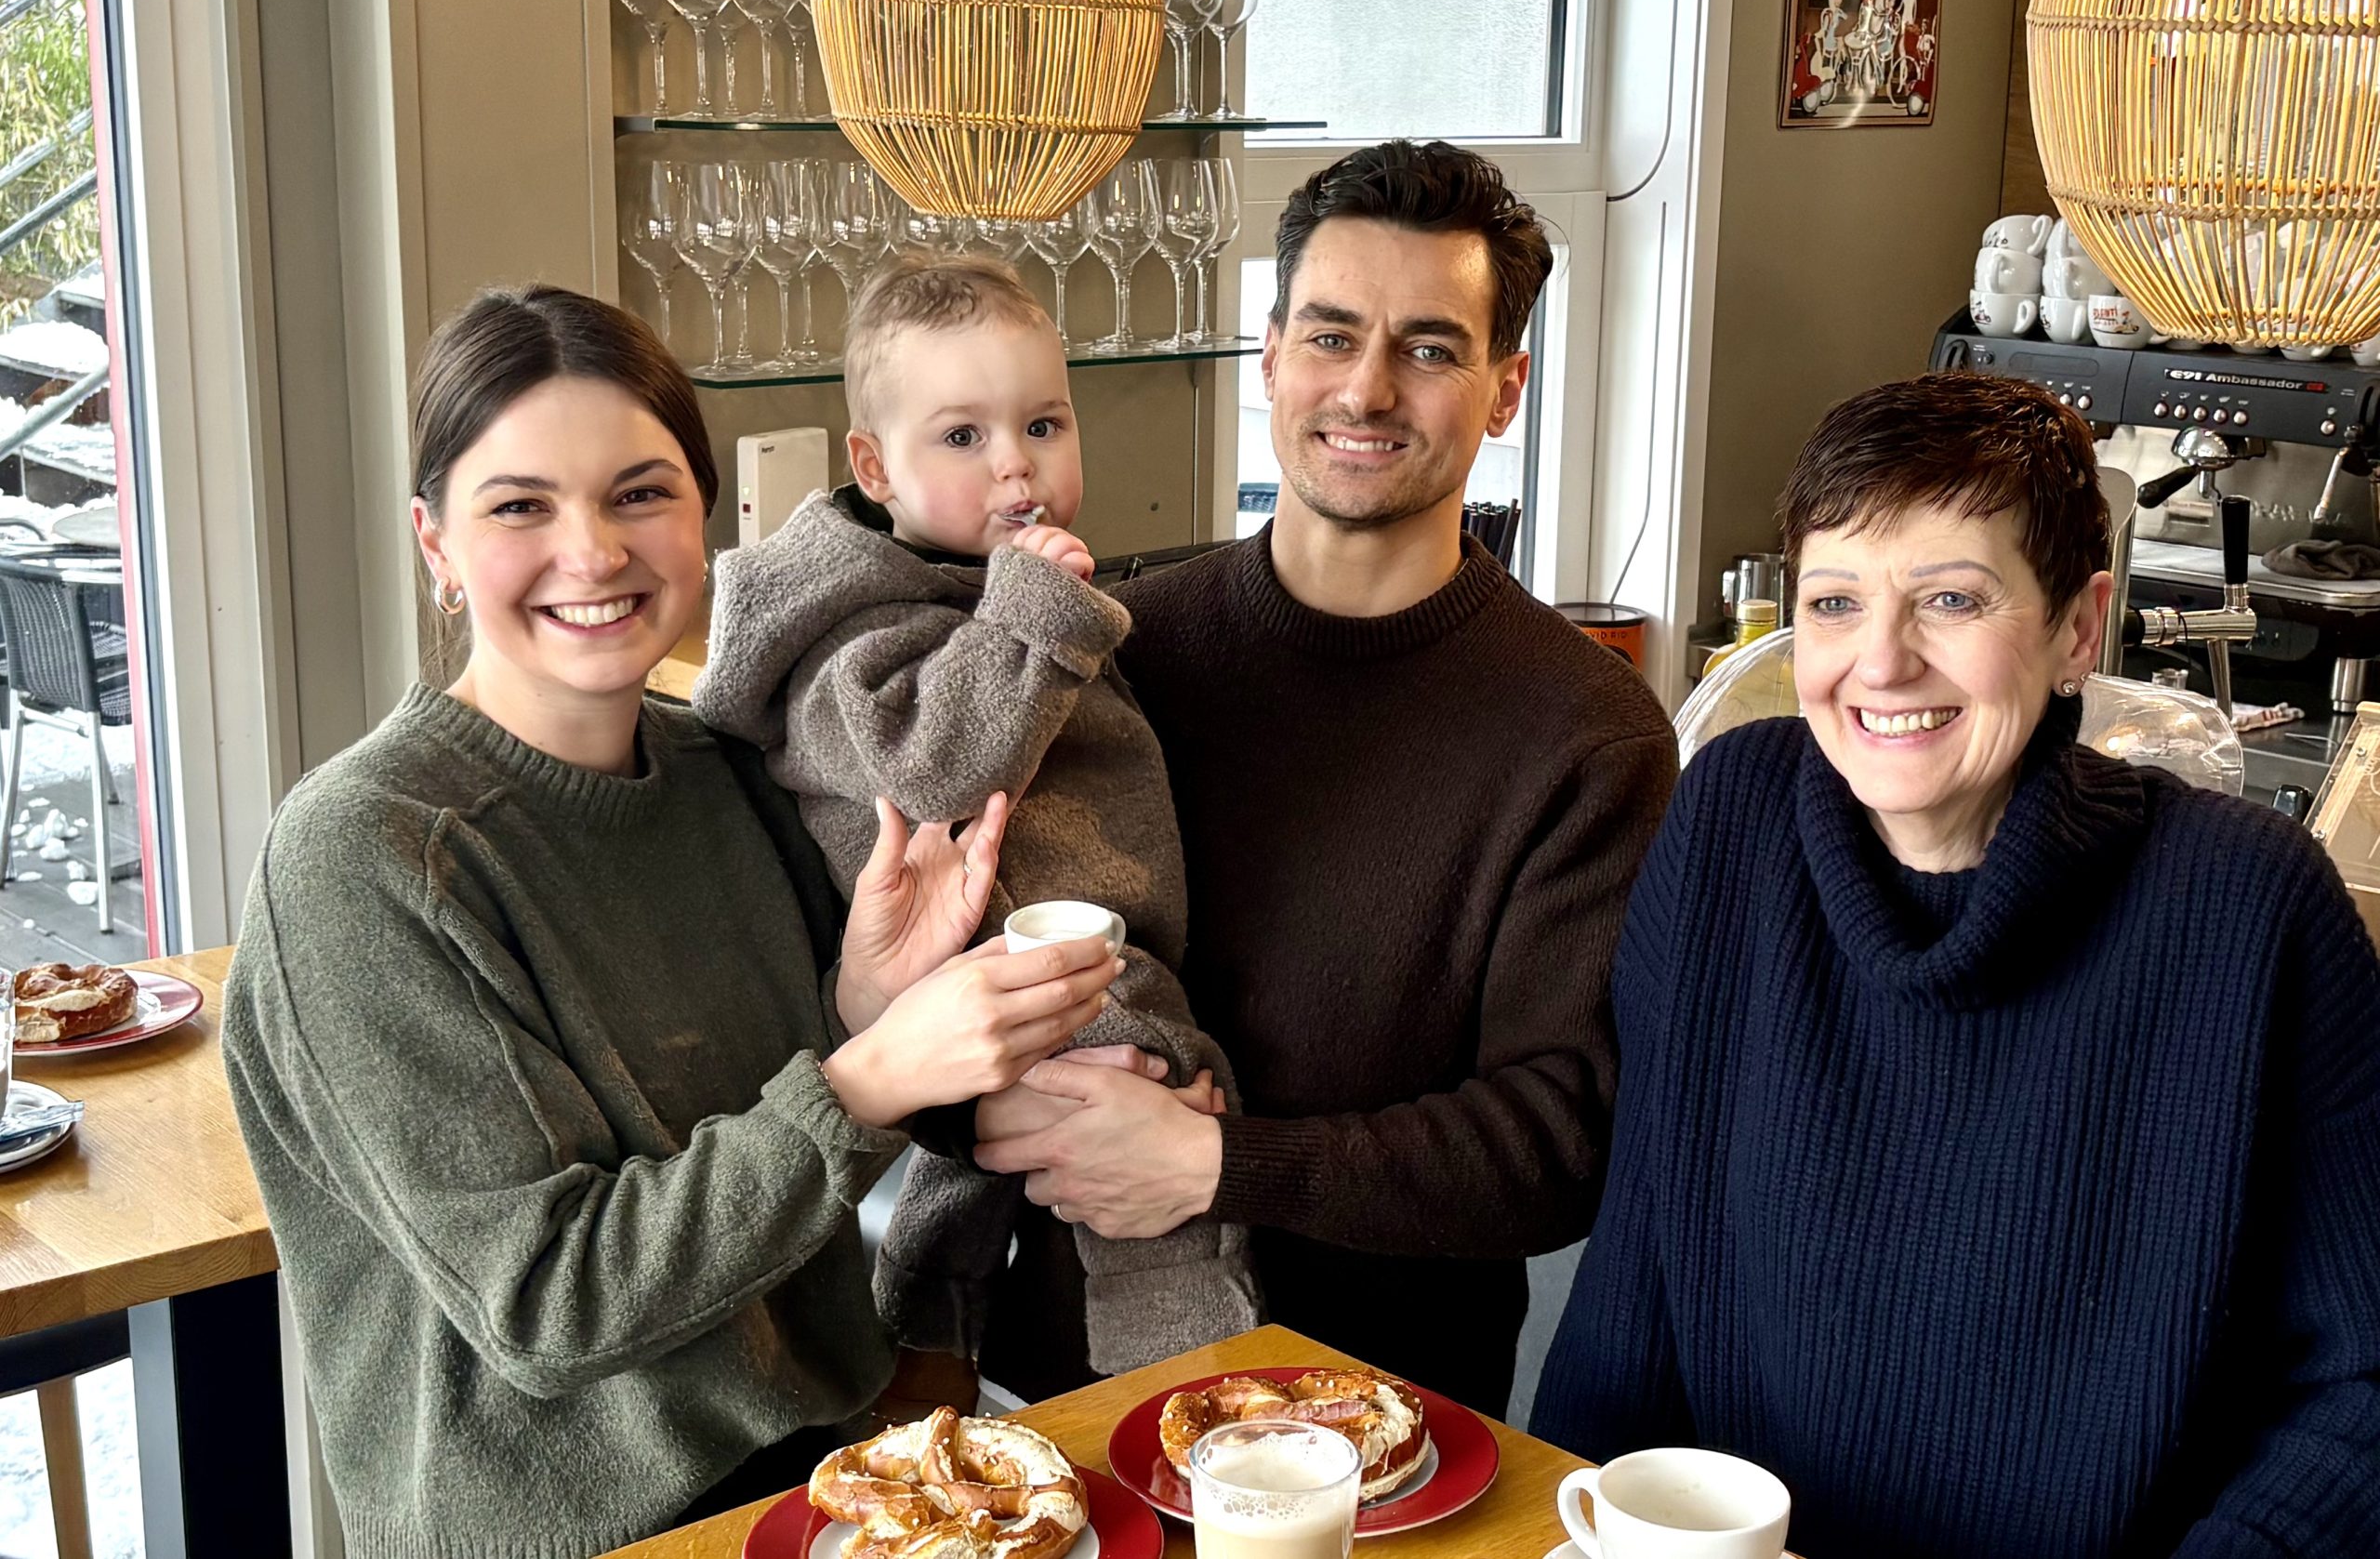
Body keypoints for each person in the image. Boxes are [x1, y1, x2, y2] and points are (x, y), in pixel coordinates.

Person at [221, 285, 1121, 1559]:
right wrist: (868, 1073)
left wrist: (866, 1001)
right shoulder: (363, 854)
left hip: (830, 1471)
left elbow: (777, 1147)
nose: (592, 552)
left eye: (640, 492)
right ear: (436, 543)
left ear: (704, 514)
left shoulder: (725, 765)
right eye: (520, 505)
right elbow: (550, 1308)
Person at [1532, 373, 2380, 1559]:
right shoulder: (1730, 817)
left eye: (1950, 598)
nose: (1879, 662)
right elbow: (1643, 1256)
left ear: (2077, 628)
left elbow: (2360, 1385)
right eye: (1834, 602)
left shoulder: (2250, 907)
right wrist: (1575, 1520)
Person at [972, 139, 1677, 1413]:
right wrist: (970, 1108)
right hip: (1059, 1393)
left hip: (1386, 1424)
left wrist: (1220, 1163)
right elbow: (946, 960)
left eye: (1430, 348)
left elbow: (1559, 1139)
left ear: (1505, 390)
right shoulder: (1111, 647)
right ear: (1271, 356)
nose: (1366, 387)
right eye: (1332, 334)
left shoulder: (1588, 731)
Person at [694, 251, 1260, 1383]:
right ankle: (1193, 1377)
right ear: (874, 465)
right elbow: (934, 770)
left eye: (1043, 424)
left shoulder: (968, 586)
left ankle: (925, 1323)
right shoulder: (852, 625)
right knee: (1156, 1096)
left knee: (989, 1160)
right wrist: (1035, 609)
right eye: (962, 436)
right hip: (1012, 956)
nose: (1017, 465)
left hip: (1025, 952)